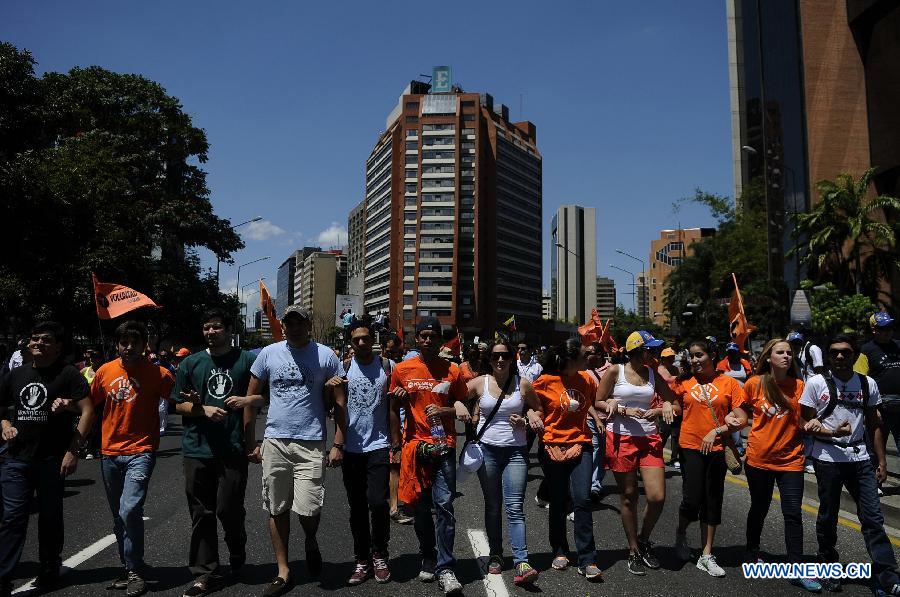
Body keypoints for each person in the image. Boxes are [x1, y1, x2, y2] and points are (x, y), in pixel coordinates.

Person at [243, 305, 344, 597]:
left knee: (309, 508)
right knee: (277, 507)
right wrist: (251, 441)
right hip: (275, 440)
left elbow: (339, 402)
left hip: (311, 441)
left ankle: (310, 540)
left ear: (308, 325)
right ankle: (283, 570)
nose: (294, 327)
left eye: (300, 322)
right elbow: (252, 397)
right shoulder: (268, 353)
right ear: (283, 326)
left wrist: (338, 443)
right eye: (289, 323)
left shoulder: (326, 355)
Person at [800, 333, 900, 594]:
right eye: (834, 352)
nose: (840, 357)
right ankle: (828, 567)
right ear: (828, 356)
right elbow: (804, 422)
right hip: (827, 459)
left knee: (873, 519)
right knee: (828, 517)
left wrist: (881, 460)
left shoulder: (867, 384)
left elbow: (875, 425)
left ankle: (886, 576)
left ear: (855, 355)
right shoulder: (815, 383)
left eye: (846, 352)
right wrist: (823, 430)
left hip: (860, 459)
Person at [0, 322, 94, 596]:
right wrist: (5, 426)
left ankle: (50, 566)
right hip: (17, 458)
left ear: (58, 347)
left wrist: (73, 451)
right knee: (13, 517)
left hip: (52, 459)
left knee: (50, 517)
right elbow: (2, 408)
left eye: (45, 340)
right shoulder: (15, 375)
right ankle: (3, 578)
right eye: (34, 338)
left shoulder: (68, 375)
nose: (37, 343)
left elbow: (88, 411)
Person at [725, 339, 821, 592]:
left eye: (789, 353)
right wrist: (730, 417)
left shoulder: (801, 386)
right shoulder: (755, 384)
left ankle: (797, 567)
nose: (786, 356)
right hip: (759, 460)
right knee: (759, 508)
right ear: (768, 357)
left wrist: (811, 424)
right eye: (780, 352)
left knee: (793, 514)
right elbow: (740, 411)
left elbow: (804, 420)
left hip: (791, 460)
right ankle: (752, 550)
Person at [173, 309, 256, 597]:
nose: (211, 332)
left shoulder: (246, 360)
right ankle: (205, 574)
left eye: (217, 327)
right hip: (197, 449)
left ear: (228, 329)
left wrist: (251, 439)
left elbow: (261, 396)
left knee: (227, 509)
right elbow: (178, 405)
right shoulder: (190, 363)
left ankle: (237, 543)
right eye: (206, 328)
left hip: (232, 449)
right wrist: (201, 409)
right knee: (201, 513)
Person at [91, 320, 175, 596]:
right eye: (124, 342)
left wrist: (199, 404)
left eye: (134, 342)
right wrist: (65, 405)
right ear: (117, 345)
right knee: (119, 516)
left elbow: (178, 400)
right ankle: (128, 568)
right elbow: (87, 404)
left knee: (129, 509)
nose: (129, 347)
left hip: (141, 451)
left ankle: (135, 570)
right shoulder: (105, 371)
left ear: (144, 345)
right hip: (110, 454)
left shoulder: (159, 374)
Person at [390, 317, 469, 596]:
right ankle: (427, 554)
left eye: (432, 336)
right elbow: (392, 408)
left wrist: (446, 412)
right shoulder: (401, 370)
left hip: (444, 446)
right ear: (416, 340)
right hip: (415, 449)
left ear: (440, 339)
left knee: (445, 506)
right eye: (422, 336)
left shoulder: (453, 370)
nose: (427, 340)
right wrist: (397, 444)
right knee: (421, 509)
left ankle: (446, 567)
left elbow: (462, 405)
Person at [598, 331, 676, 576]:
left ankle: (643, 538)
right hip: (621, 438)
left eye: (654, 350)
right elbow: (598, 401)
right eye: (649, 350)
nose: (653, 354)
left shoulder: (654, 374)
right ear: (635, 351)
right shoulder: (615, 371)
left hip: (650, 439)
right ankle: (633, 549)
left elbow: (674, 402)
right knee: (629, 496)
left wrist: (663, 406)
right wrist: (620, 408)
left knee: (656, 497)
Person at [526, 339, 602, 582]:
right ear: (569, 360)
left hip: (582, 445)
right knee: (558, 501)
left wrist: (609, 406)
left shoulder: (588, 380)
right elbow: (532, 408)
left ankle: (587, 558)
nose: (588, 358)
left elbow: (590, 404)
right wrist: (533, 419)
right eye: (583, 355)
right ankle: (559, 550)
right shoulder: (545, 381)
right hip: (552, 448)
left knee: (582, 499)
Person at [465, 341, 540, 586]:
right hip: (487, 451)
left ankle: (521, 561)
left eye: (505, 356)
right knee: (493, 505)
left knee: (515, 506)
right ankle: (496, 554)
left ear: (512, 359)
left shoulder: (523, 384)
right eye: (496, 356)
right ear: (490, 360)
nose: (500, 360)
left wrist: (528, 418)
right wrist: (458, 405)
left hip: (516, 452)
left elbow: (540, 410)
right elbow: (455, 395)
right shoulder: (480, 383)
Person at [672, 338, 743, 578]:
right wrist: (666, 408)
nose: (694, 360)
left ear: (712, 355)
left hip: (717, 448)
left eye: (699, 355)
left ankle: (706, 554)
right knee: (692, 499)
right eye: (691, 356)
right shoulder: (683, 383)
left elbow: (742, 417)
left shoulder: (729, 383)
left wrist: (720, 430)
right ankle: (681, 534)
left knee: (713, 500)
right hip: (690, 446)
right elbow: (674, 406)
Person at [334, 318, 394, 585]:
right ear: (351, 342)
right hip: (352, 447)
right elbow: (335, 407)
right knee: (357, 507)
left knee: (379, 504)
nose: (361, 343)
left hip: (379, 445)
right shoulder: (344, 367)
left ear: (373, 340)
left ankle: (379, 553)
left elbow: (394, 405)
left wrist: (397, 441)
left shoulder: (387, 367)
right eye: (356, 339)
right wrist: (337, 445)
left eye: (365, 338)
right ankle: (362, 559)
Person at [856, 312, 900, 462]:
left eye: (890, 327)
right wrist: (871, 408)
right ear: (874, 330)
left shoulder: (898, 346)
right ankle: (876, 482)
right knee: (877, 447)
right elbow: (860, 379)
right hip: (880, 407)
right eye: (883, 328)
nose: (888, 331)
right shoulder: (867, 350)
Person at [381, 335, 413, 525]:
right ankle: (390, 504)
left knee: (396, 466)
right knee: (391, 466)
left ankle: (395, 506)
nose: (395, 355)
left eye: (398, 352)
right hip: (381, 425)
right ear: (383, 348)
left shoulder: (401, 368)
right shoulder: (381, 366)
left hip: (401, 424)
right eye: (391, 351)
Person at [582, 343, 611, 500]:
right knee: (595, 449)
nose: (586, 356)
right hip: (592, 418)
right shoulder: (584, 371)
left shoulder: (612, 370)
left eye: (589, 353)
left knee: (605, 452)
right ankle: (593, 485)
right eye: (585, 354)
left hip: (611, 418)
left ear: (599, 354)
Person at [716, 342, 752, 455]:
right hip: (727, 398)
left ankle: (735, 445)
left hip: (742, 398)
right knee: (733, 422)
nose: (732, 354)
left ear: (738, 353)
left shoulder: (745, 364)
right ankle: (737, 446)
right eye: (730, 352)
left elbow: (750, 379)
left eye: (734, 352)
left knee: (740, 421)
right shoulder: (722, 364)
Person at [658, 347, 682, 468]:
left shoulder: (677, 369)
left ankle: (674, 458)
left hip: (676, 405)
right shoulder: (658, 370)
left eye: (672, 357)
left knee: (676, 434)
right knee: (664, 432)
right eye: (668, 358)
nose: (671, 359)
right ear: (663, 359)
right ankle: (657, 455)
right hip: (663, 406)